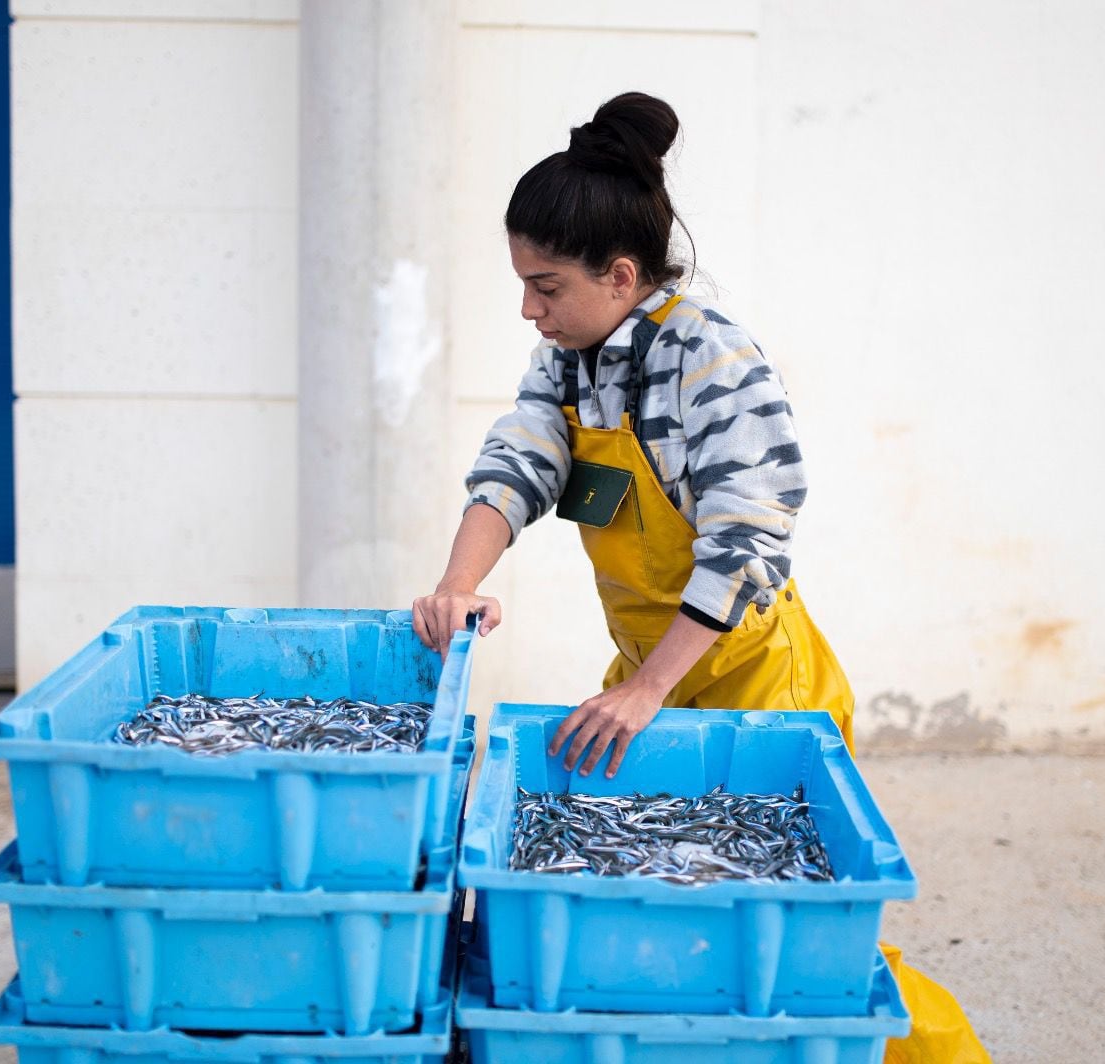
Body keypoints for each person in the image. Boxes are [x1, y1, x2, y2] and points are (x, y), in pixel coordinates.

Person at [412, 91, 988, 1063]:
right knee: (635, 934)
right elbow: (517, 460)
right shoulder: (568, 363)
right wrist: (457, 581)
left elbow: (749, 541)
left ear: (621, 274)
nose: (528, 308)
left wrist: (647, 688)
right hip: (646, 676)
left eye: (544, 285)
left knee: (790, 953)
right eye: (521, 284)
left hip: (758, 684)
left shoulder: (710, 360)